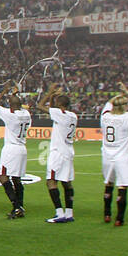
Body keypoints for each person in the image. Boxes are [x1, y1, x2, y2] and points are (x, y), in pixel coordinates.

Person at [100, 82, 128, 226]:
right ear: (125, 106)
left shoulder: (104, 117)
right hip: (122, 156)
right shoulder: (127, 117)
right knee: (122, 186)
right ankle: (119, 219)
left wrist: (118, 96)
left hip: (107, 156)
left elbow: (108, 103)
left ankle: (107, 214)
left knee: (108, 184)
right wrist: (127, 92)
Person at [38, 83, 78, 224]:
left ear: (60, 106)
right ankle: (69, 213)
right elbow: (53, 110)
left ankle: (59, 213)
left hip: (58, 152)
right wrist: (55, 97)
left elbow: (40, 105)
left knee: (51, 181)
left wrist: (49, 92)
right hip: (68, 152)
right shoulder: (73, 116)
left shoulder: (59, 114)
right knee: (67, 182)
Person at [0, 84, 31, 218]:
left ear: (10, 105)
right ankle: (20, 206)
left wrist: (4, 91)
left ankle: (16, 206)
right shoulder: (26, 114)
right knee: (17, 179)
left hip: (11, 149)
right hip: (22, 149)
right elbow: (17, 105)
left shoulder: (10, 116)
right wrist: (15, 95)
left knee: (3, 177)